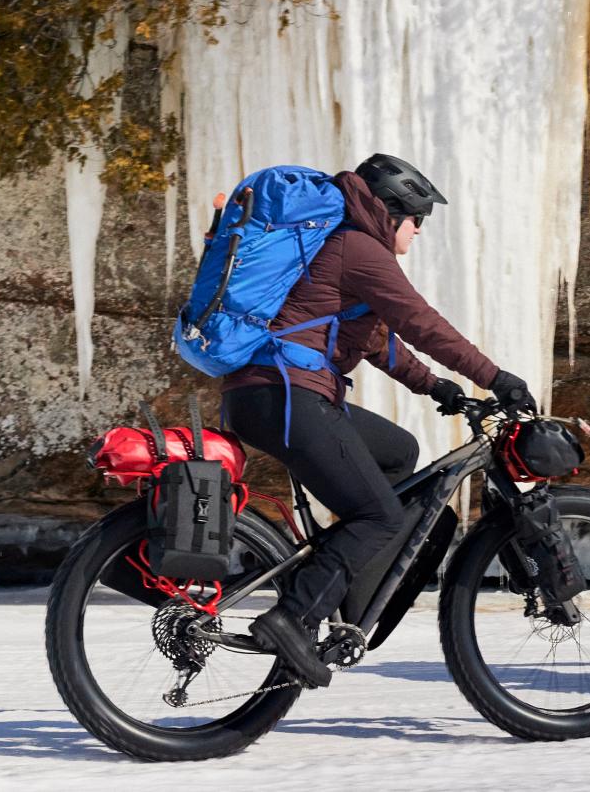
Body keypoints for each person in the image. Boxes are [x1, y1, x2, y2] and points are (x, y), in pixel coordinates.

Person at [222, 153, 535, 687]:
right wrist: (494, 377)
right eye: (417, 219)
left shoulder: (338, 246)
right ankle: (293, 617)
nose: (418, 231)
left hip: (267, 393)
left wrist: (436, 387)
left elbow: (377, 341)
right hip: (287, 394)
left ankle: (342, 586)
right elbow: (419, 322)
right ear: (390, 211)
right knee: (382, 517)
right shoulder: (358, 247)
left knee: (398, 452)